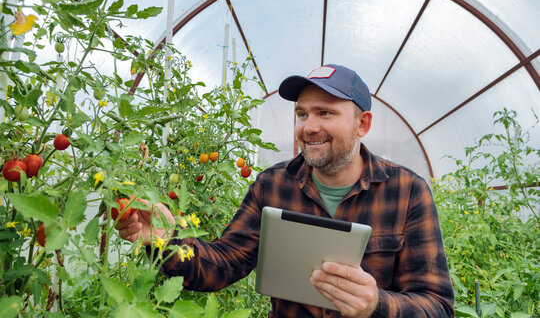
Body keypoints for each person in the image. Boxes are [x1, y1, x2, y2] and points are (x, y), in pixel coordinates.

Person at [116, 64, 454, 317]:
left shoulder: (407, 192)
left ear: (362, 124)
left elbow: (437, 306)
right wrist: (164, 240)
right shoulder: (272, 185)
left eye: (325, 112)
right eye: (302, 113)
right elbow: (224, 263)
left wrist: (377, 305)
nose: (309, 127)